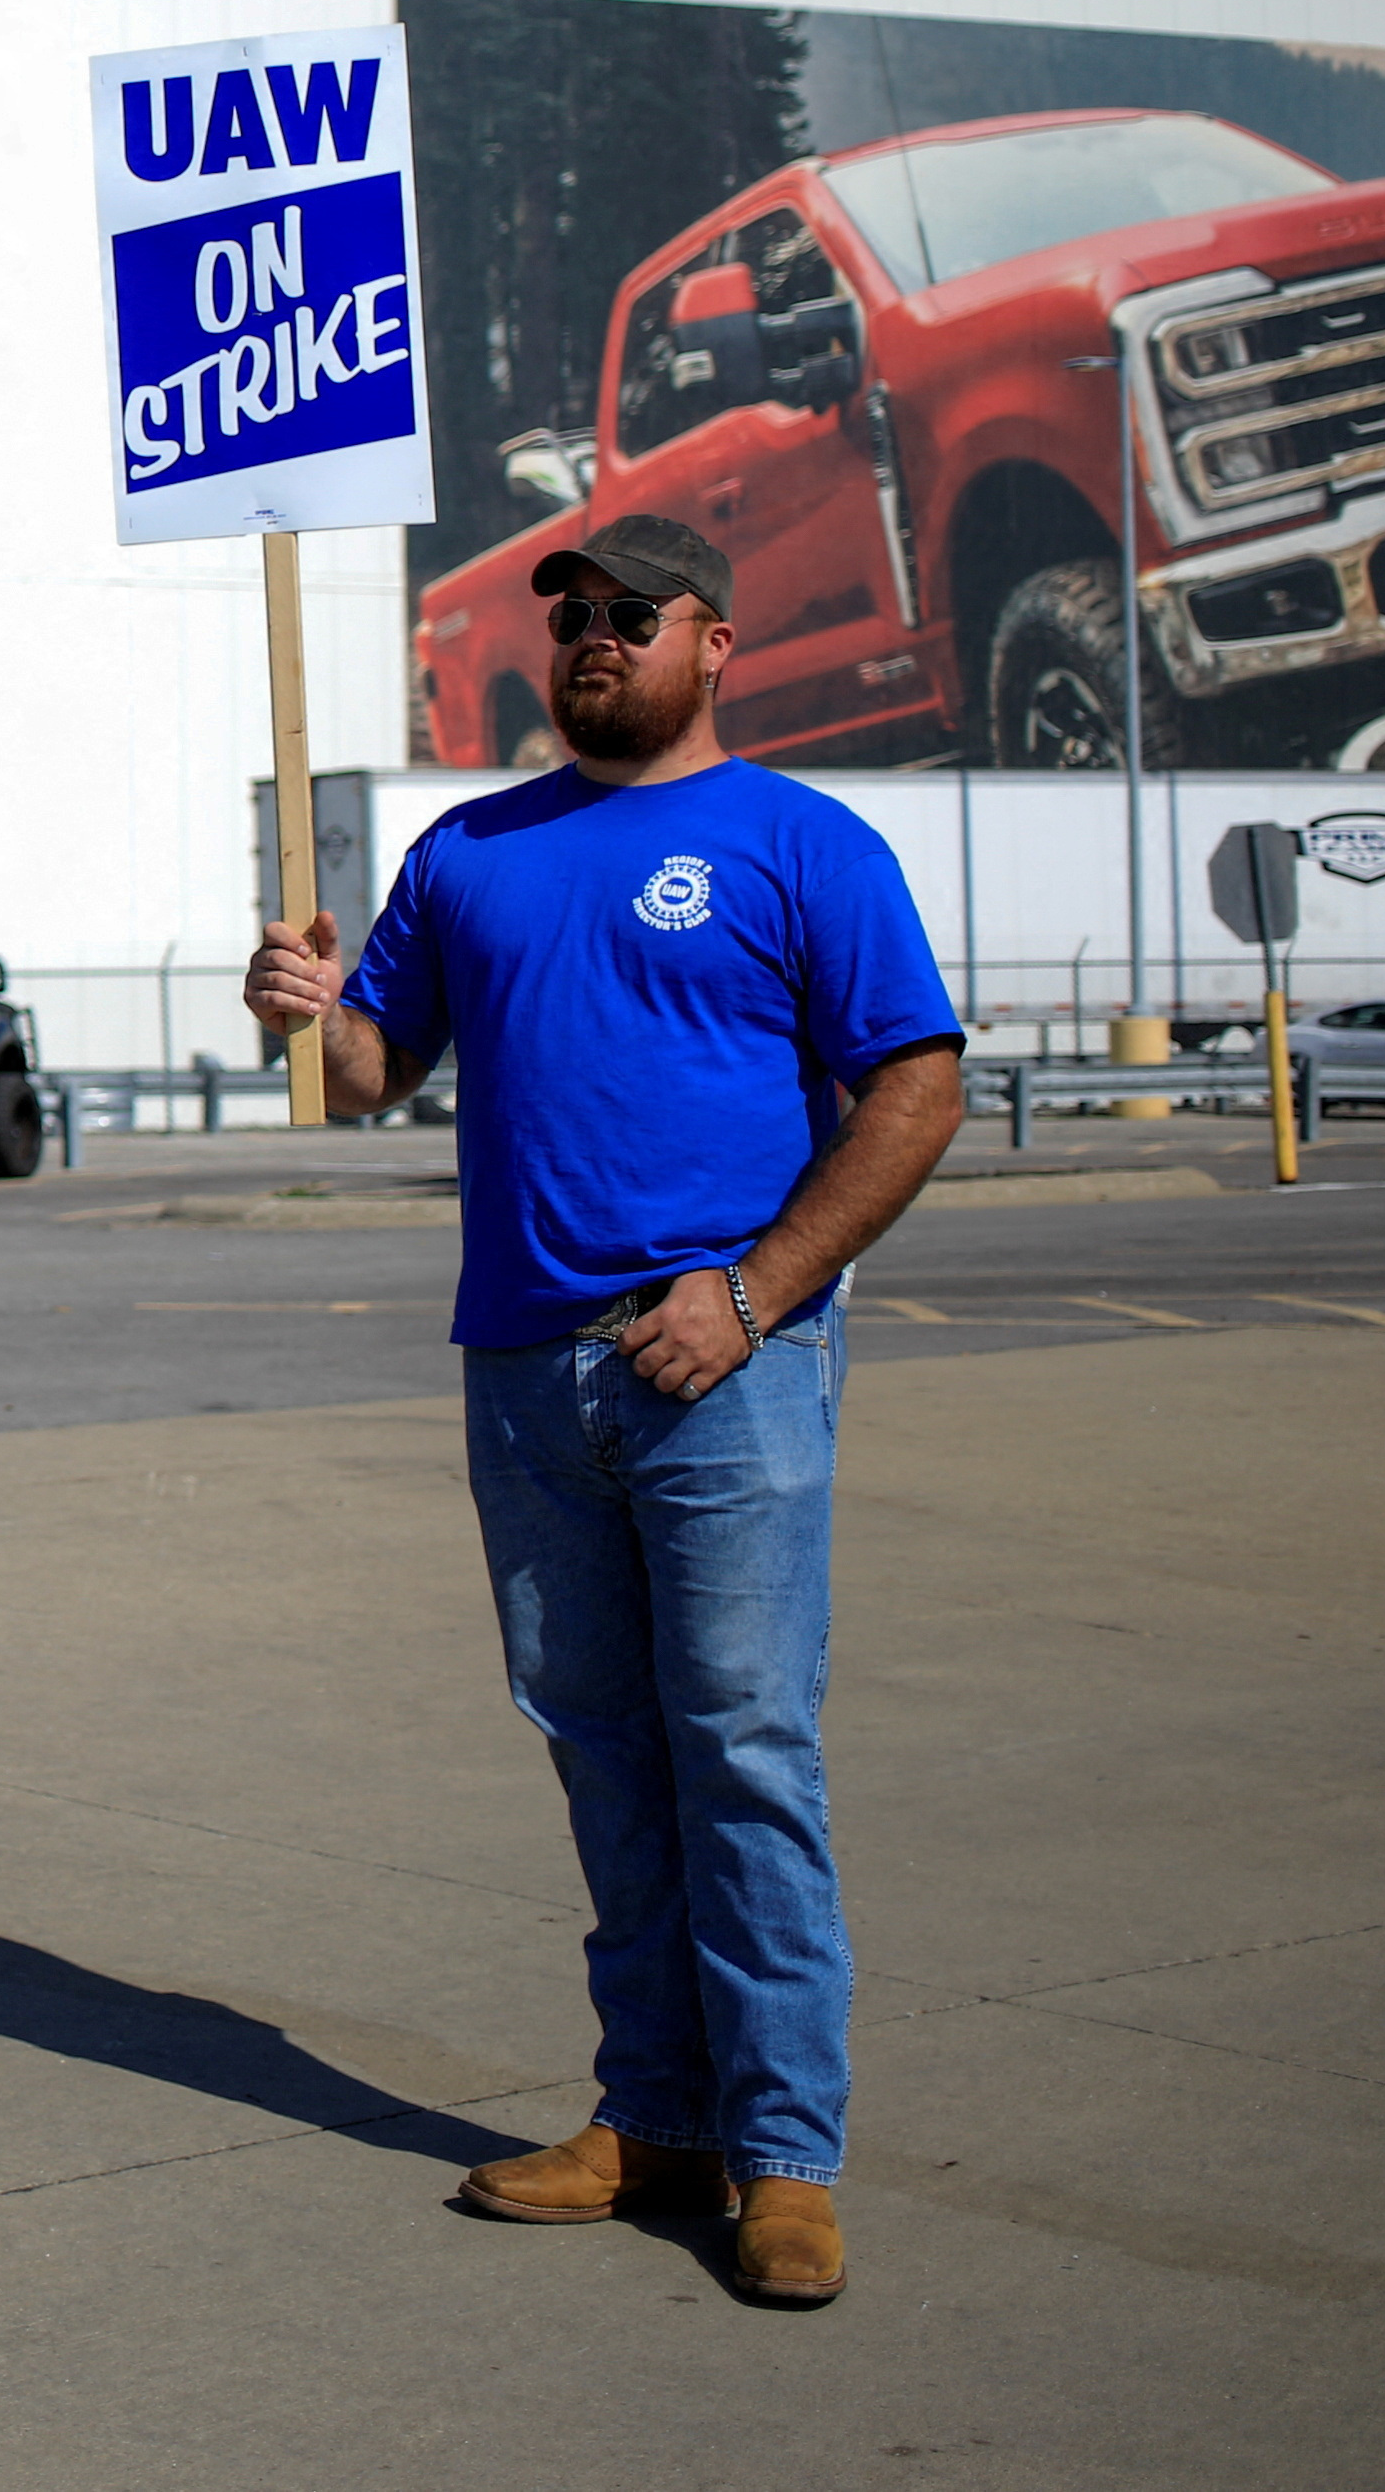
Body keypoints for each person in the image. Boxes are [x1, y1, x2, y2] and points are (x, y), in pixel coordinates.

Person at [242, 512, 961, 2311]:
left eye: (629, 615)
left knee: (741, 1744)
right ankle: (655, 2117)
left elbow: (919, 1088)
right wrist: (307, 1004)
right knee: (602, 1748)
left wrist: (756, 1289)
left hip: (722, 1356)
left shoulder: (803, 841)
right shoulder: (470, 853)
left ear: (713, 640)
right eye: (570, 612)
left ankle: (786, 2154)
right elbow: (368, 1070)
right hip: (526, 1365)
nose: (588, 637)